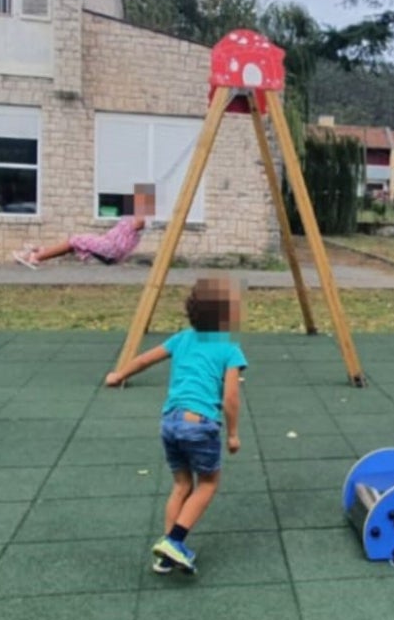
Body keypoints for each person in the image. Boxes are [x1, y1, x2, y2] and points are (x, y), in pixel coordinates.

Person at [104, 276, 246, 574]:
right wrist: (232, 433)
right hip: (200, 424)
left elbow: (144, 359)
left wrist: (119, 374)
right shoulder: (229, 348)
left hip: (170, 421)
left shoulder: (182, 338)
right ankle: (175, 541)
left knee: (182, 484)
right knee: (208, 484)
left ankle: (166, 555)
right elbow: (231, 397)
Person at [13, 184, 154, 268]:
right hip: (108, 244)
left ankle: (37, 256)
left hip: (113, 249)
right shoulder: (132, 215)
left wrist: (142, 203)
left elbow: (138, 224)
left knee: (76, 240)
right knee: (74, 244)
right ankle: (39, 253)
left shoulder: (142, 218)